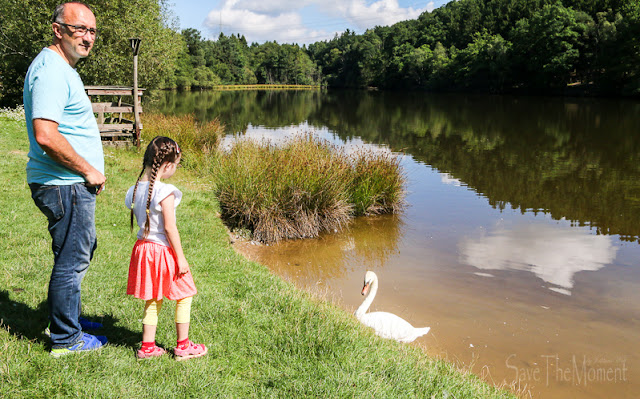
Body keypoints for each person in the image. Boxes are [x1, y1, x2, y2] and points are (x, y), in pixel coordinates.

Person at [23, 1, 107, 357]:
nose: (87, 37)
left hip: (67, 183)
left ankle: (67, 318)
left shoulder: (62, 67)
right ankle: (66, 339)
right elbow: (45, 134)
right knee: (72, 259)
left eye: (92, 31)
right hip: (63, 184)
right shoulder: (52, 71)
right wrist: (87, 169)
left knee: (76, 253)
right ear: (58, 29)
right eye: (79, 29)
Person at [125, 136, 207, 361]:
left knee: (153, 299)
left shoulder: (135, 189)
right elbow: (170, 228)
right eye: (176, 165)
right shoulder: (165, 191)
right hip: (161, 251)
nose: (176, 170)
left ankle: (147, 347)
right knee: (185, 293)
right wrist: (180, 258)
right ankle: (183, 346)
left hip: (143, 249)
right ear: (168, 165)